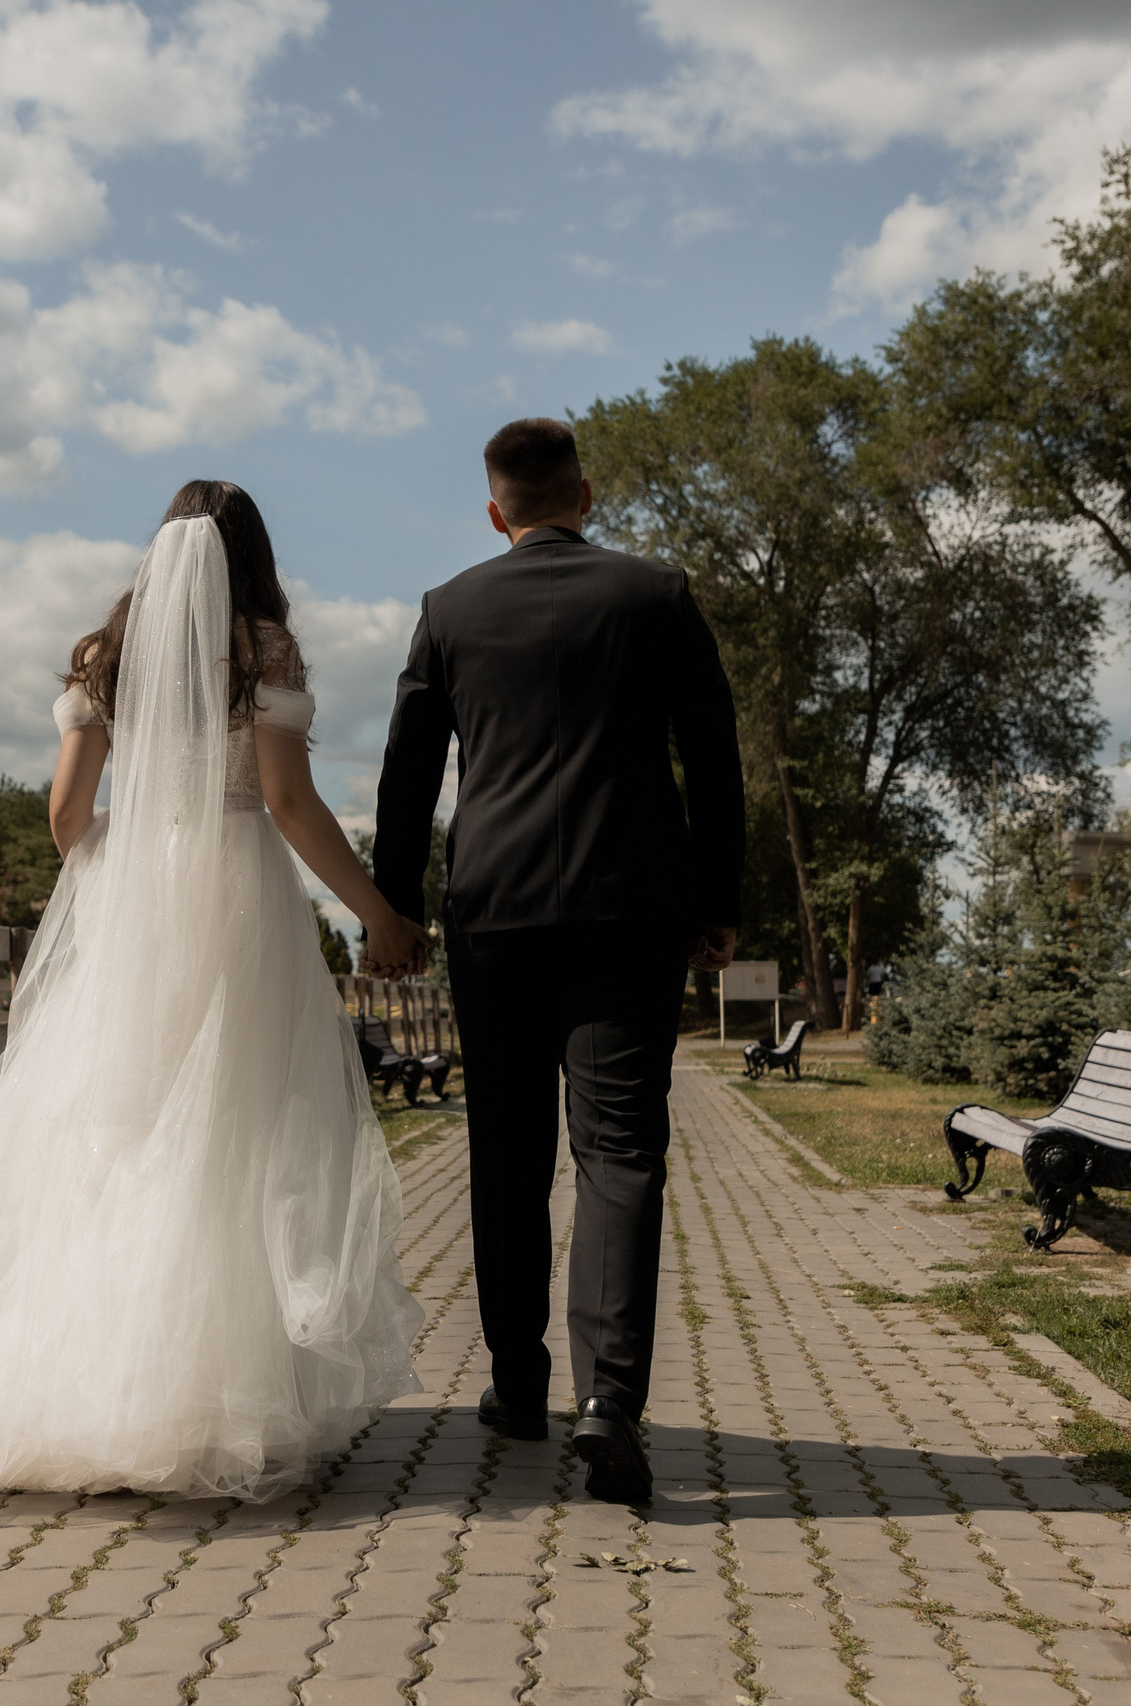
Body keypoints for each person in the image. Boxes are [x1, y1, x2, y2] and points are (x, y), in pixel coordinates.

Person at [0, 481, 429, 1501]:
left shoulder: (105, 656)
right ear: (249, 554)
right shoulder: (261, 648)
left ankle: (79, 1392)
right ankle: (209, 1394)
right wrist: (379, 912)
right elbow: (283, 799)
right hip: (235, 900)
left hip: (130, 899)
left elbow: (64, 814)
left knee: (112, 1131)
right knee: (236, 1133)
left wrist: (124, 871)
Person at [373, 418, 745, 1507]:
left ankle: (518, 1383)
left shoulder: (450, 609)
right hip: (630, 913)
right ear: (586, 493)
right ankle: (610, 1402)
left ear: (496, 512)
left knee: (508, 1148)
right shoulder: (655, 595)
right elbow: (712, 756)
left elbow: (405, 778)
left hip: (493, 916)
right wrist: (715, 903)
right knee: (620, 1150)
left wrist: (393, 910)